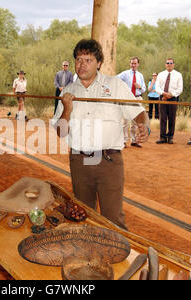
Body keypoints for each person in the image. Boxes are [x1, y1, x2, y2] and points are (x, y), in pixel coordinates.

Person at [51, 39, 150, 231]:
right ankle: (88, 258)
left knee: (113, 218)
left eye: (88, 60)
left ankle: (121, 258)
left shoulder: (115, 85)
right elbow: (61, 132)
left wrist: (143, 125)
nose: (82, 65)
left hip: (109, 161)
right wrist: (67, 109)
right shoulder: (68, 92)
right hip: (79, 160)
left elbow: (138, 112)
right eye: (78, 60)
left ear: (99, 63)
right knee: (83, 215)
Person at [117, 57, 146, 148]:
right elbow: (115, 79)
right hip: (127, 99)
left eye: (135, 63)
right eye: (132, 63)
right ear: (130, 64)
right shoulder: (125, 74)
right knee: (125, 121)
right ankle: (124, 141)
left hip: (137, 99)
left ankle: (134, 141)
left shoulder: (140, 75)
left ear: (138, 64)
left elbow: (144, 89)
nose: (133, 65)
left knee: (136, 122)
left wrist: (139, 87)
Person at [155, 58, 183, 144]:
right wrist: (163, 93)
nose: (169, 64)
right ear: (165, 64)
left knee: (172, 118)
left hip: (173, 98)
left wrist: (171, 94)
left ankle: (170, 137)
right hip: (162, 97)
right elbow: (157, 87)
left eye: (171, 63)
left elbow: (180, 89)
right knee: (162, 118)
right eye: (167, 63)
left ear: (174, 64)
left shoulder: (178, 75)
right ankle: (162, 137)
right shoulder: (160, 74)